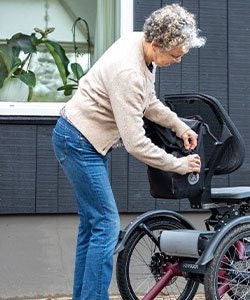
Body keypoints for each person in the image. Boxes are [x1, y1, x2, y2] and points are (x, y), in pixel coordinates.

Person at [51, 4, 205, 299]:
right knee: (107, 225)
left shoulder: (141, 46)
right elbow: (135, 143)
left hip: (82, 139)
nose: (180, 59)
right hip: (79, 142)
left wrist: (179, 126)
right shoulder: (128, 72)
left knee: (92, 226)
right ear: (157, 43)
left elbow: (148, 102)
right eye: (175, 54)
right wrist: (179, 164)